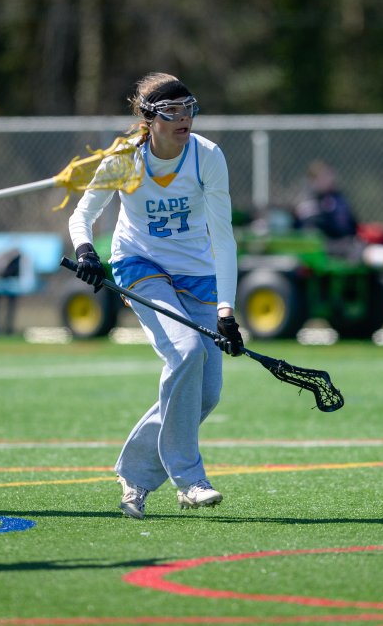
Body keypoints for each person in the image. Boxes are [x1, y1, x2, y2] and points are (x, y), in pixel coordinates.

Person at [68, 72, 243, 519]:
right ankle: (190, 479)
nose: (184, 118)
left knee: (206, 394)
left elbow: (223, 238)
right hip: (141, 266)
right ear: (150, 119)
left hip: (199, 272)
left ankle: (135, 475)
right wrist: (86, 251)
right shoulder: (124, 159)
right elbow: (81, 217)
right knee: (185, 354)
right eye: (172, 111)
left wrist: (226, 309)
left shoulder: (207, 157)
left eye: (189, 108)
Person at [294, 160, 358, 240]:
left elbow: (352, 224)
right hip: (324, 246)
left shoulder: (339, 199)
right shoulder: (307, 201)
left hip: (345, 242)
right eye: (325, 176)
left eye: (331, 175)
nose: (331, 179)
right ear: (314, 180)